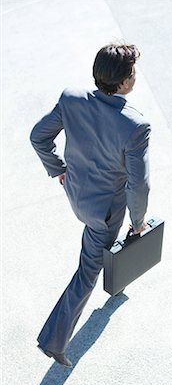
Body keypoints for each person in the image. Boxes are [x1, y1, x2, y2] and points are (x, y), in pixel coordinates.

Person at [30, 42, 151, 368]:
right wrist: (138, 222)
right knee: (88, 269)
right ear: (124, 82)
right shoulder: (135, 126)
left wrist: (58, 170)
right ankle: (54, 340)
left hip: (77, 195)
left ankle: (118, 284)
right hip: (105, 212)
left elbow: (38, 136)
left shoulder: (72, 99)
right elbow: (138, 185)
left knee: (101, 249)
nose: (135, 76)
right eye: (133, 71)